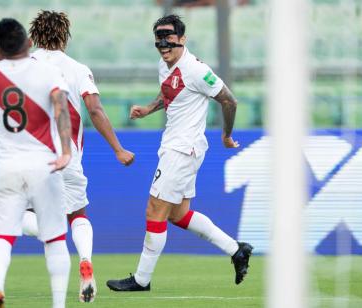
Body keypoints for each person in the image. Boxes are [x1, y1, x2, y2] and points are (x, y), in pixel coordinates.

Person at [106, 14, 253, 292]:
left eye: (169, 38)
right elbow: (170, 91)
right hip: (178, 147)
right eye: (159, 39)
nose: (163, 44)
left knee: (154, 209)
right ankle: (236, 250)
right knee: (178, 214)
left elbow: (229, 100)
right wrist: (149, 109)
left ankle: (141, 279)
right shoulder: (166, 64)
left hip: (182, 150)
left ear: (182, 39)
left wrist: (227, 135)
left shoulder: (196, 69)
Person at [24, 10, 136, 303]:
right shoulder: (77, 68)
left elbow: (7, 103)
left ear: (34, 36)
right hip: (67, 154)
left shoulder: (22, 66)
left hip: (30, 154)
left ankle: (53, 230)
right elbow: (95, 110)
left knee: (15, 216)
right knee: (78, 214)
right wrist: (118, 149)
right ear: (65, 37)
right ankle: (85, 260)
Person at [0, 18, 73, 308]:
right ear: (28, 41)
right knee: (55, 238)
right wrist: (66, 152)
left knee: (2, 236)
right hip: (43, 165)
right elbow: (61, 108)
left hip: (5, 167)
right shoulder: (48, 71)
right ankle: (58, 304)